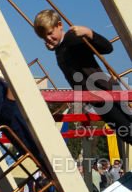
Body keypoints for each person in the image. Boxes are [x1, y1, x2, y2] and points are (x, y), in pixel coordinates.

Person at [33, 9, 132, 151]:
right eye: (43, 37)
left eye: (49, 33)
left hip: (105, 91)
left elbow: (107, 48)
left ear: (59, 25)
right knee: (125, 132)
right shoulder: (60, 48)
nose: (47, 38)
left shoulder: (73, 39)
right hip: (96, 98)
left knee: (127, 129)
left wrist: (89, 33)